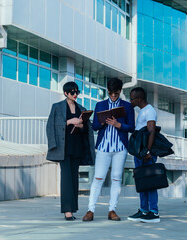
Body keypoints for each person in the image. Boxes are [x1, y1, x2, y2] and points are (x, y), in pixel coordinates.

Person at [82, 78, 135, 221]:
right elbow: (94, 127)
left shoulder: (127, 107)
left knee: (116, 179)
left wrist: (119, 125)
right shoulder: (100, 105)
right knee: (98, 178)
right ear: (107, 91)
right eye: (111, 93)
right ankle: (90, 210)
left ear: (120, 91)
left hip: (120, 148)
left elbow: (132, 127)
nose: (113, 96)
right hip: (104, 147)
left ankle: (112, 210)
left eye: (116, 93)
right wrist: (102, 122)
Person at [46, 81, 95, 221]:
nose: (75, 94)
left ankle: (72, 209)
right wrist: (69, 122)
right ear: (66, 93)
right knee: (66, 178)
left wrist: (80, 126)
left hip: (77, 147)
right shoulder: (57, 107)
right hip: (64, 148)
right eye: (72, 92)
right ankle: (67, 211)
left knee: (74, 179)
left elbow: (87, 129)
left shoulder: (82, 108)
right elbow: (51, 126)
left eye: (77, 92)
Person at [127, 87, 160, 223]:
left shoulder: (149, 111)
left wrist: (148, 151)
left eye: (132, 98)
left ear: (139, 99)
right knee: (142, 182)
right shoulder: (142, 111)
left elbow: (152, 131)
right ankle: (144, 210)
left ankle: (154, 212)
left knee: (150, 182)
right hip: (140, 152)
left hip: (145, 153)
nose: (131, 101)